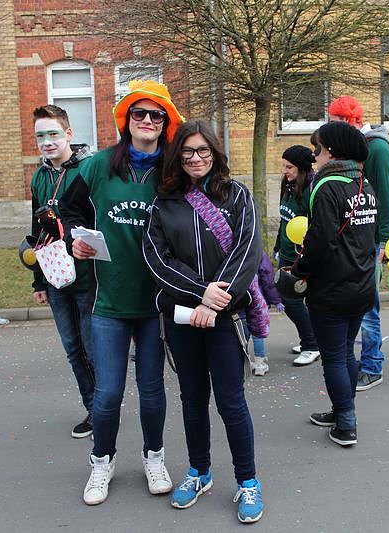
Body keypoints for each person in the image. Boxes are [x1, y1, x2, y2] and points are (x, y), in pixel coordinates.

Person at [60, 80, 183, 505]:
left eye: (156, 115)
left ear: (166, 123)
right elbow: (70, 208)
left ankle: (154, 457)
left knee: (152, 389)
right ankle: (102, 461)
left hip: (155, 303)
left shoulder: (173, 172)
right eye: (139, 114)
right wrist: (77, 237)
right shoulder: (97, 166)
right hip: (108, 301)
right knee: (108, 392)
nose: (147, 121)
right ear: (126, 121)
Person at [143, 119, 265, 524]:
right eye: (188, 151)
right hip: (181, 316)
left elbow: (247, 251)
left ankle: (247, 481)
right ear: (177, 155)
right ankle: (200, 472)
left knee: (231, 402)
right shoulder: (163, 203)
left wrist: (215, 302)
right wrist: (200, 292)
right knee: (193, 401)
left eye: (204, 151)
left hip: (225, 317)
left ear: (215, 153)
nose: (196, 158)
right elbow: (157, 260)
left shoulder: (237, 196)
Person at [290, 121, 377, 447]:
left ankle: (346, 424)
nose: (315, 157)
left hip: (333, 289)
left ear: (333, 151)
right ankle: (342, 410)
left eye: (318, 149)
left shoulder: (326, 187)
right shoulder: (362, 184)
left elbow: (321, 241)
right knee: (344, 354)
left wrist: (300, 271)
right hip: (361, 285)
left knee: (335, 358)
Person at [29, 105, 96, 439]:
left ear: (68, 134)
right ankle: (93, 408)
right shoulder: (39, 176)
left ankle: (104, 406)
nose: (47, 142)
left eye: (53, 134)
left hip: (86, 276)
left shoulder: (88, 169)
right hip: (55, 275)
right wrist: (38, 280)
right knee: (72, 348)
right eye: (41, 135)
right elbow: (36, 229)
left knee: (91, 344)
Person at [328, 95, 389, 391]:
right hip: (354, 241)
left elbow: (386, 199)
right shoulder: (354, 149)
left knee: (369, 307)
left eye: (332, 122)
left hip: (371, 243)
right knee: (358, 304)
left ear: (347, 121)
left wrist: (384, 244)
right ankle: (360, 361)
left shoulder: (377, 149)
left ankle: (372, 366)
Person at [273, 145, 320, 366]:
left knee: (292, 301)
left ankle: (312, 344)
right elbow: (285, 221)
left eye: (289, 166)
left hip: (301, 256)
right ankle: (309, 338)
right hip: (285, 253)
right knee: (286, 298)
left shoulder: (311, 190)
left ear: (302, 168)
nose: (285, 170)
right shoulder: (288, 187)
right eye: (283, 166)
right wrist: (276, 246)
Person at [250, 251, 283, 376]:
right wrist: (276, 300)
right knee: (258, 331)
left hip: (240, 297)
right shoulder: (258, 253)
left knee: (244, 331)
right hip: (258, 297)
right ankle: (259, 362)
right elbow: (267, 278)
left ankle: (245, 360)